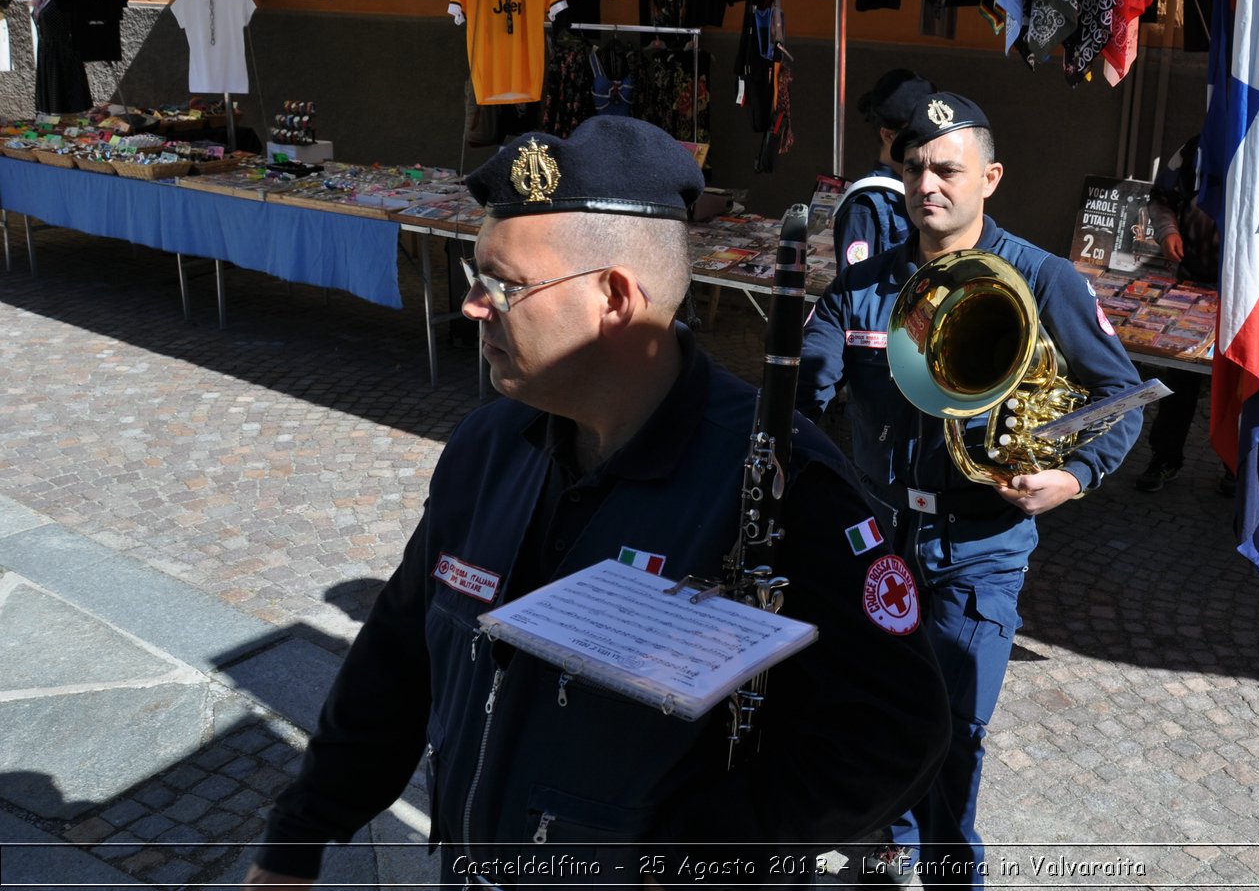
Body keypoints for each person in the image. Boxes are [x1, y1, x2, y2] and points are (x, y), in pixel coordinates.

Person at [245, 116, 950, 888]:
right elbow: (396, 664)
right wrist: (297, 838)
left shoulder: (784, 480)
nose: (474, 305)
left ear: (615, 296)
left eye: (502, 284)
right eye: (472, 274)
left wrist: (704, 850)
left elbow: (894, 732)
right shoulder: (486, 448)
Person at [798, 93, 1143, 888]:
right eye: (914, 167)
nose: (927, 185)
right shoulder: (863, 288)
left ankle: (955, 873)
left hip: (981, 546)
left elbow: (1121, 397)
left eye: (947, 169)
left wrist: (1074, 475)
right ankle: (896, 840)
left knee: (958, 731)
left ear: (989, 176)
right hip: (881, 541)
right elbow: (799, 408)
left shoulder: (1043, 277)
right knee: (883, 705)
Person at [1134, 135, 1233, 496]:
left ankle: (1237, 467)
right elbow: (1161, 198)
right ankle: (1165, 457)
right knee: (1179, 380)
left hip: (1247, 295)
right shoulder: (1196, 148)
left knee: (1239, 384)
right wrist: (1168, 231)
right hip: (1192, 284)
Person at [831, 69, 937, 269]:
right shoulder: (864, 208)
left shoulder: (927, 191)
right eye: (917, 133)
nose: (929, 141)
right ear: (888, 135)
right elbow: (856, 293)